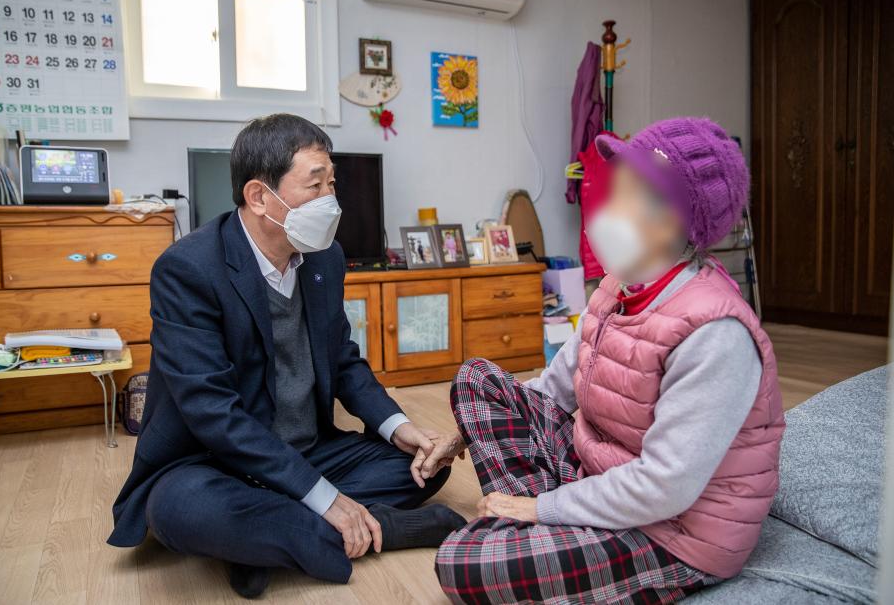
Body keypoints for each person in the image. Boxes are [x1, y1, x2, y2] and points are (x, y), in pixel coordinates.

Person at [418, 117, 786, 603]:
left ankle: (530, 529)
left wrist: (543, 508)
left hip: (674, 531)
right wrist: (464, 434)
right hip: (604, 474)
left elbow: (664, 487)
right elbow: (554, 388)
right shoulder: (619, 285)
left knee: (460, 561)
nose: (603, 209)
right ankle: (536, 531)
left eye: (623, 196)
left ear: (670, 220)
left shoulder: (715, 333)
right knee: (476, 380)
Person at [107, 114, 464, 599]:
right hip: (213, 460)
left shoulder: (325, 256)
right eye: (315, 185)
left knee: (423, 466)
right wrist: (326, 498)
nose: (331, 200)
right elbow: (212, 412)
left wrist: (402, 428)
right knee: (179, 509)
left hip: (308, 450)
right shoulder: (187, 269)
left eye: (331, 184)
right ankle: (382, 527)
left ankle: (263, 545)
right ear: (259, 196)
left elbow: (343, 361)